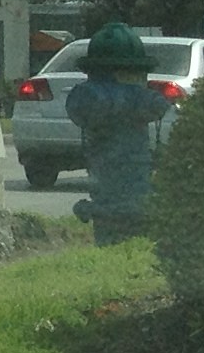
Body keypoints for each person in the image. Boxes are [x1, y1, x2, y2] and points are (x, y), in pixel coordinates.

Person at [66, 22, 165, 245]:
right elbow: (158, 104)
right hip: (126, 192)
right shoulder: (144, 102)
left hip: (106, 188)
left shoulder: (88, 98)